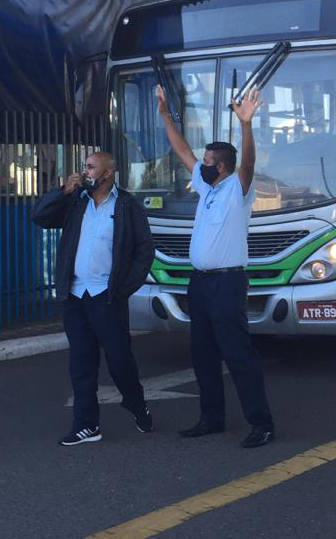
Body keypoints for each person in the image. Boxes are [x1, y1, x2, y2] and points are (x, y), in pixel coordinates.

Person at [156, 83, 275, 449]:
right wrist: (164, 113)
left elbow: (249, 163)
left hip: (228, 284)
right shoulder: (206, 188)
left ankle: (261, 423)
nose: (201, 164)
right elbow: (182, 150)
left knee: (238, 355)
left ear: (221, 167)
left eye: (207, 162)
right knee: (202, 353)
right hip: (201, 284)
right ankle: (212, 418)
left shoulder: (238, 189)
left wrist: (247, 124)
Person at [31, 151, 155, 446]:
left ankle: (137, 406)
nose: (84, 172)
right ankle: (87, 424)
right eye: (84, 167)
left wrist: (123, 289)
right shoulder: (75, 202)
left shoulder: (127, 205)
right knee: (81, 362)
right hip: (75, 296)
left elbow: (144, 251)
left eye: (90, 167)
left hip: (106, 297)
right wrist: (62, 191)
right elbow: (40, 216)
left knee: (119, 361)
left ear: (108, 173)